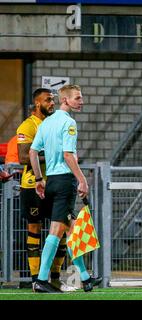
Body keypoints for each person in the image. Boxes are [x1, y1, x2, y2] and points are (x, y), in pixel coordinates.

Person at [29, 84, 102, 293]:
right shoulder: (69, 123)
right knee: (56, 230)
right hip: (64, 183)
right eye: (78, 98)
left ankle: (86, 279)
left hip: (51, 181)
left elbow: (33, 153)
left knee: (71, 231)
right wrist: (82, 180)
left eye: (81, 98)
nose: (82, 101)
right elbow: (68, 156)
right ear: (66, 100)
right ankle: (41, 280)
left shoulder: (46, 122)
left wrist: (39, 179)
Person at [16, 88, 77, 291]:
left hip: (54, 184)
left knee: (61, 229)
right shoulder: (28, 125)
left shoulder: (54, 122)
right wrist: (53, 154)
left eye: (53, 99)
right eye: (48, 100)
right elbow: (24, 156)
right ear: (37, 103)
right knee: (35, 230)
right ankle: (36, 279)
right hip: (33, 185)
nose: (52, 103)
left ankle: (54, 278)